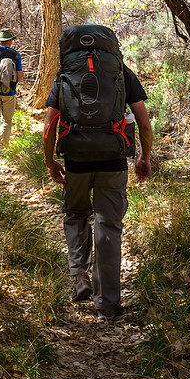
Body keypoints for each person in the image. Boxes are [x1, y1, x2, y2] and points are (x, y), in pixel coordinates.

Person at [43, 44, 152, 322]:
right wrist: (144, 156)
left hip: (76, 160)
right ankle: (108, 304)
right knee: (108, 225)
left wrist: (50, 161)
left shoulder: (65, 74)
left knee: (76, 213)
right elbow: (143, 122)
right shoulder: (121, 73)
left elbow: (49, 125)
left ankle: (79, 274)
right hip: (113, 160)